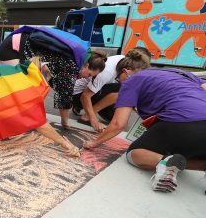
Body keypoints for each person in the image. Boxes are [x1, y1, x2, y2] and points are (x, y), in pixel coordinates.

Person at [83, 51, 206, 193]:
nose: (120, 84)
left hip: (181, 120)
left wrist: (94, 143)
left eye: (119, 79)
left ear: (126, 72)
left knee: (135, 154)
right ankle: (199, 164)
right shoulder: (178, 72)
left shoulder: (132, 80)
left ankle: (165, 162)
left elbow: (119, 124)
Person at [71, 51, 128, 132]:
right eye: (90, 75)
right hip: (76, 96)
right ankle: (84, 114)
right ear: (125, 70)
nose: (88, 78)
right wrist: (94, 120)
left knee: (117, 119)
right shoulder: (105, 73)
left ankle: (81, 107)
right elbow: (85, 96)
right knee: (124, 89)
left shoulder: (121, 61)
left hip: (83, 93)